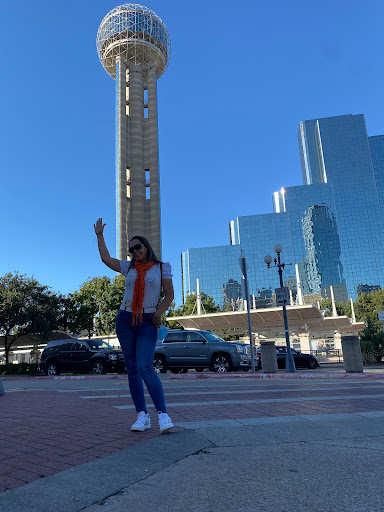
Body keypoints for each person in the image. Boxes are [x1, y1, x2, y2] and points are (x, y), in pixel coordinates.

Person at [94, 218, 175, 434]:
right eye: (131, 249)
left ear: (146, 246)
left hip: (148, 321)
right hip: (125, 320)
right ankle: (142, 415)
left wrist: (159, 313)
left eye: (137, 247)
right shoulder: (128, 267)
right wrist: (100, 235)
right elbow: (105, 258)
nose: (134, 251)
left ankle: (163, 416)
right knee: (131, 370)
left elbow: (169, 295)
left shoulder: (161, 268)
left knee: (145, 367)